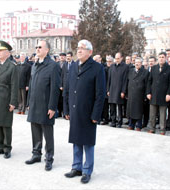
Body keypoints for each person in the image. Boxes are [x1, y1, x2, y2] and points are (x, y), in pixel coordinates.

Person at [63, 39, 106, 184]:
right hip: (75, 109)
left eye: (83, 48)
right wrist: (67, 109)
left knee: (87, 142)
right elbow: (68, 89)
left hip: (88, 112)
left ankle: (87, 170)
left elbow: (100, 94)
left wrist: (96, 114)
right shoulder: (74, 66)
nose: (79, 50)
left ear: (90, 52)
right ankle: (77, 167)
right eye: (78, 48)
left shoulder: (97, 68)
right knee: (76, 139)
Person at [25, 40, 61, 171]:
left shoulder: (53, 66)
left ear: (47, 50)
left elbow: (55, 88)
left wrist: (52, 107)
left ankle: (49, 158)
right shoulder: (34, 65)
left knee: (48, 133)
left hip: (46, 105)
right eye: (36, 47)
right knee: (35, 130)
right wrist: (28, 103)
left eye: (40, 47)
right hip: (34, 104)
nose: (37, 49)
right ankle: (36, 154)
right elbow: (31, 84)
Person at [146, 52, 170, 135]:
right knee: (152, 113)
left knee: (162, 114)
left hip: (164, 95)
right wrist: (148, 92)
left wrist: (169, 94)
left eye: (163, 57)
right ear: (158, 58)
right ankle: (152, 128)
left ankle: (162, 130)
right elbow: (149, 81)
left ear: (165, 58)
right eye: (160, 57)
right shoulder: (154, 68)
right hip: (153, 94)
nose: (161, 58)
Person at [126, 57, 149, 131]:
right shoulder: (130, 71)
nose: (137, 63)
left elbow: (147, 85)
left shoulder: (145, 72)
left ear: (141, 63)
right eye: (136, 62)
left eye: (139, 62)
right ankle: (131, 124)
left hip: (140, 95)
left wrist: (146, 95)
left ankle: (138, 125)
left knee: (138, 111)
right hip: (131, 94)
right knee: (131, 110)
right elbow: (127, 82)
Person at [107, 52, 129, 128]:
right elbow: (109, 79)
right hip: (112, 89)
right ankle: (113, 121)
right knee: (112, 107)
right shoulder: (112, 66)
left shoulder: (125, 67)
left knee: (119, 107)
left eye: (118, 58)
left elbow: (125, 80)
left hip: (120, 90)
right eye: (115, 58)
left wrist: (123, 91)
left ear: (121, 58)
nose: (116, 60)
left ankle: (119, 122)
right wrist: (108, 90)